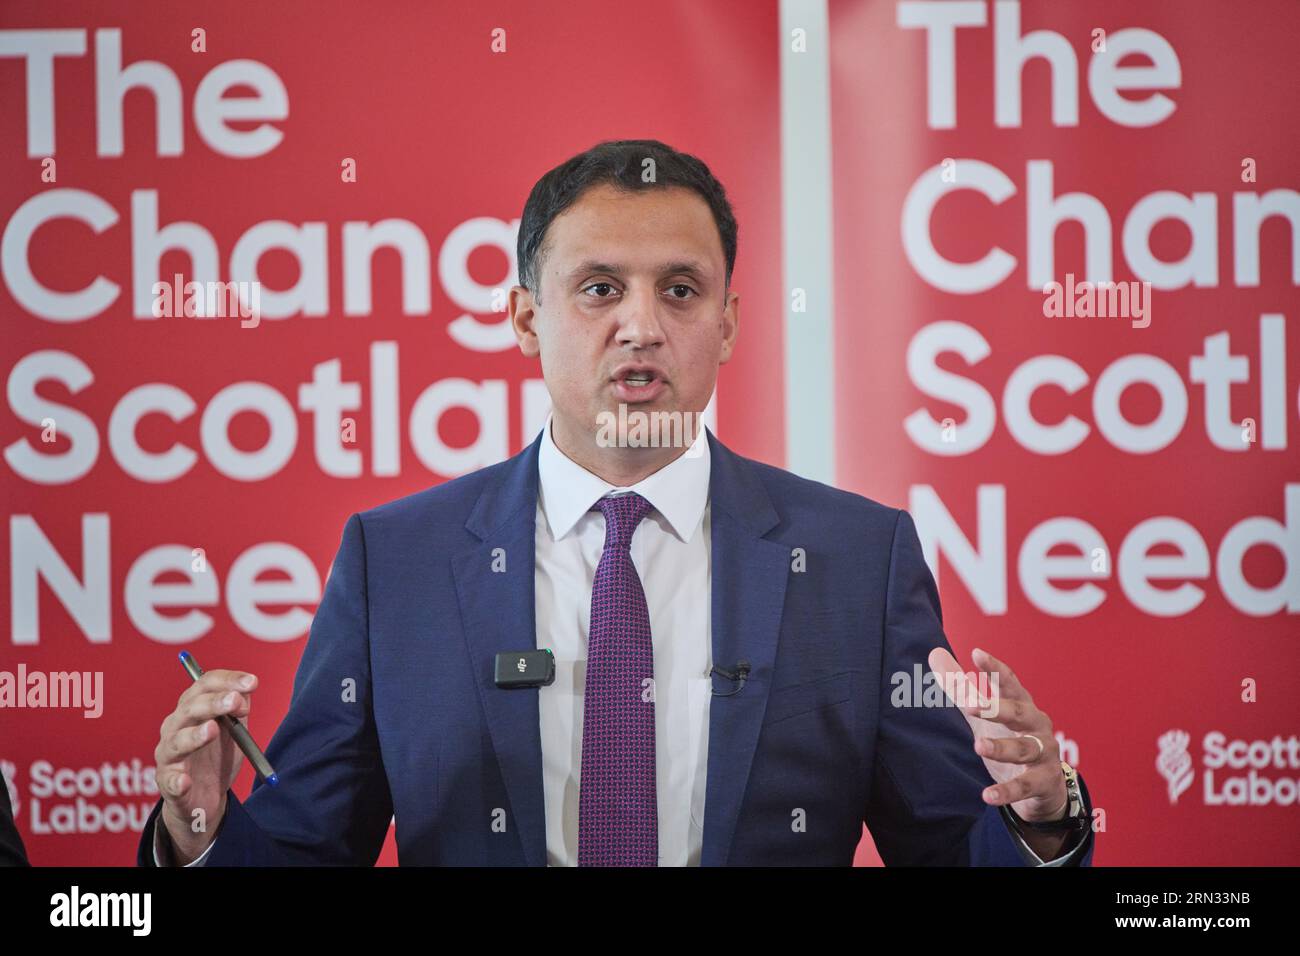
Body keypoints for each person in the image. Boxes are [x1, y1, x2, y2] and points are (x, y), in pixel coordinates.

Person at [139, 139, 1095, 867]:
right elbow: (306, 849)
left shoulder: (856, 558)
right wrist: (200, 832)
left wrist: (1041, 817)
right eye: (600, 288)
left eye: (681, 290)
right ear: (525, 317)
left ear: (726, 325)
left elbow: (948, 849)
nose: (642, 325)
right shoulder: (400, 563)